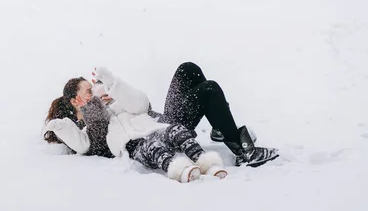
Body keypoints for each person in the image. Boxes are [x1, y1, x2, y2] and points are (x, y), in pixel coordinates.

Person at [43, 63, 279, 183]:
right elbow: (89, 140)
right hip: (162, 132)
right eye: (88, 89)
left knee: (188, 69)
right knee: (209, 90)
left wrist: (116, 92)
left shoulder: (112, 102)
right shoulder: (91, 126)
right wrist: (98, 108)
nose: (95, 90)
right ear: (76, 100)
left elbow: (142, 104)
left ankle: (220, 126)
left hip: (162, 121)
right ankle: (242, 150)